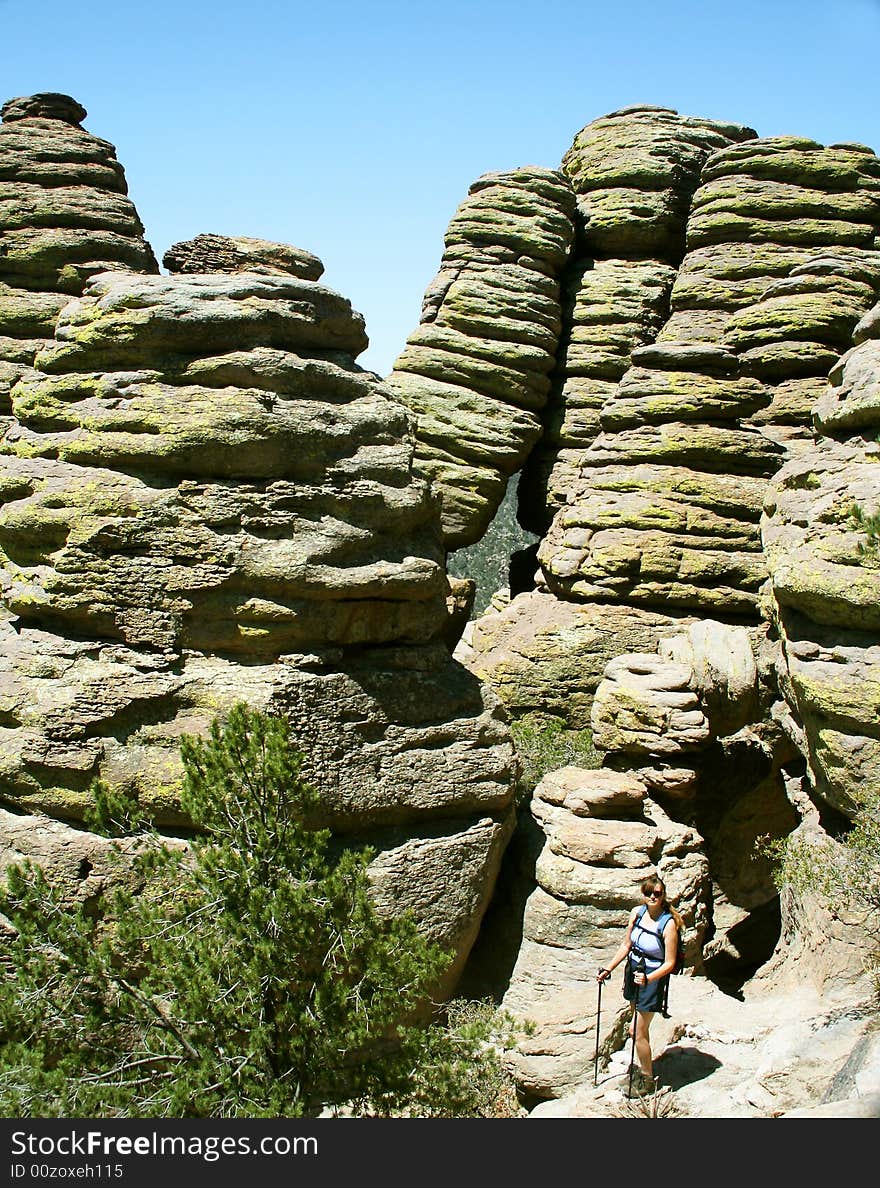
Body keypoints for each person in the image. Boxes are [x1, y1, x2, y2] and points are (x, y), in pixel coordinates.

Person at [596, 874, 683, 1094]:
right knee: (638, 1027)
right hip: (633, 971)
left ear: (663, 896)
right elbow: (626, 945)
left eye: (657, 893)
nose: (652, 897)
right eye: (648, 893)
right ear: (643, 894)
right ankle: (644, 1070)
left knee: (636, 1030)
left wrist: (649, 979)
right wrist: (609, 968)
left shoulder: (669, 924)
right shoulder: (637, 913)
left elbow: (670, 963)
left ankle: (647, 1078)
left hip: (651, 978)